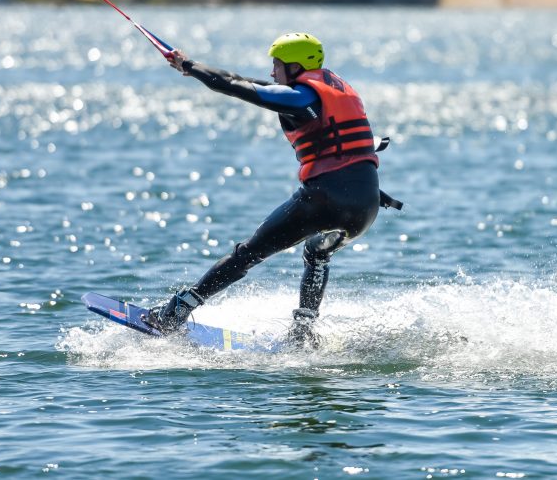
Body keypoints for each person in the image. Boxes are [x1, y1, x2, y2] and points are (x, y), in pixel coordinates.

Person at [144, 33, 401, 345]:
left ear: (295, 66)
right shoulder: (335, 90)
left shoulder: (302, 97)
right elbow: (242, 80)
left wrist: (192, 66)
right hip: (365, 207)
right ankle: (304, 332)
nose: (272, 72)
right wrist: (190, 66)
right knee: (317, 253)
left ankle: (176, 312)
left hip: (325, 198)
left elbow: (235, 87)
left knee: (248, 253)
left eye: (277, 65)